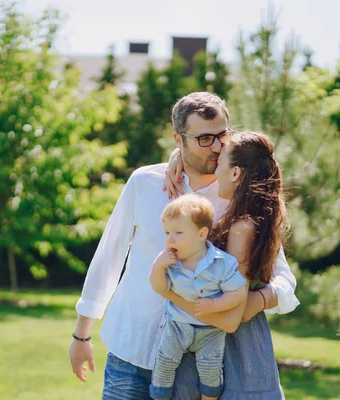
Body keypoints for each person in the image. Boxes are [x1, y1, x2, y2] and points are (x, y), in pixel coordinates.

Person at [68, 92, 299, 400]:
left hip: (191, 365)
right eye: (205, 139)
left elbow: (282, 276)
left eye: (222, 135)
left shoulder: (237, 194)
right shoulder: (145, 183)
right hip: (131, 352)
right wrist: (81, 334)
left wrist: (255, 301)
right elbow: (109, 256)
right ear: (179, 139)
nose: (217, 146)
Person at [164, 130, 291, 399]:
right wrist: (177, 156)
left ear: (235, 173)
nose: (215, 172)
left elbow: (235, 317)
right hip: (237, 348)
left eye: (220, 163)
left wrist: (170, 294)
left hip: (238, 354)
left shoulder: (242, 228)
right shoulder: (255, 218)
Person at [149, 194, 247, 400]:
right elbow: (159, 288)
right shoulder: (169, 261)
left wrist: (215, 304)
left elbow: (238, 292)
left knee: (211, 368)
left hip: (210, 332)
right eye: (167, 232)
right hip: (177, 325)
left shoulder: (221, 263)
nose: (170, 239)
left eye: (178, 232)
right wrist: (158, 267)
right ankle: (159, 396)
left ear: (202, 234)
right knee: (165, 362)